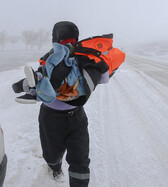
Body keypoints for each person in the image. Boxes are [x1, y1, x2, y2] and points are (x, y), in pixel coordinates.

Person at [12, 21, 111, 187]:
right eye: (63, 42)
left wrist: (101, 64)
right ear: (55, 41)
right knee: (52, 154)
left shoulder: (84, 57)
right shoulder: (48, 60)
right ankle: (55, 168)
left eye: (71, 41)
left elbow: (103, 79)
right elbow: (43, 89)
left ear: (76, 40)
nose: (67, 46)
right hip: (50, 118)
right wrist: (33, 89)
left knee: (80, 159)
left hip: (77, 117)